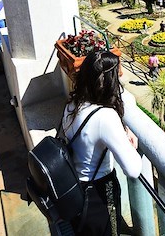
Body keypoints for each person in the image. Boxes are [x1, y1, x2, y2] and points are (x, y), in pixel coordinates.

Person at [62, 50, 142, 235]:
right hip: (97, 193)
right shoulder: (105, 116)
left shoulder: (72, 104)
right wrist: (130, 143)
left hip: (73, 188)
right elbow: (133, 169)